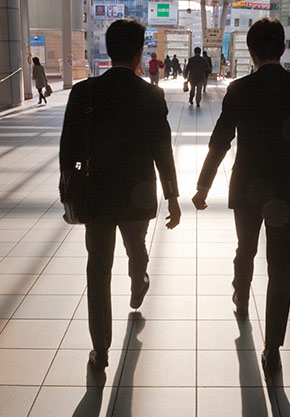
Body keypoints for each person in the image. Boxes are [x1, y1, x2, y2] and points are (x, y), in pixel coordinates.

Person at [191, 18, 290, 374]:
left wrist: (203, 186)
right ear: (282, 48)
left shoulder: (240, 89)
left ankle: (240, 294)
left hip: (247, 187)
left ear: (251, 51)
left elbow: (221, 140)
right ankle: (273, 348)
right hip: (288, 191)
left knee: (245, 248)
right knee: (280, 267)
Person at [59, 19, 181, 369]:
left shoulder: (84, 92)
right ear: (140, 51)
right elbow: (163, 149)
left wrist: (68, 190)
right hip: (138, 192)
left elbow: (68, 149)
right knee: (136, 244)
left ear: (108, 50)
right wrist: (172, 195)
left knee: (97, 269)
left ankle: (100, 350)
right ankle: (139, 276)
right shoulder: (151, 95)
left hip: (96, 192)